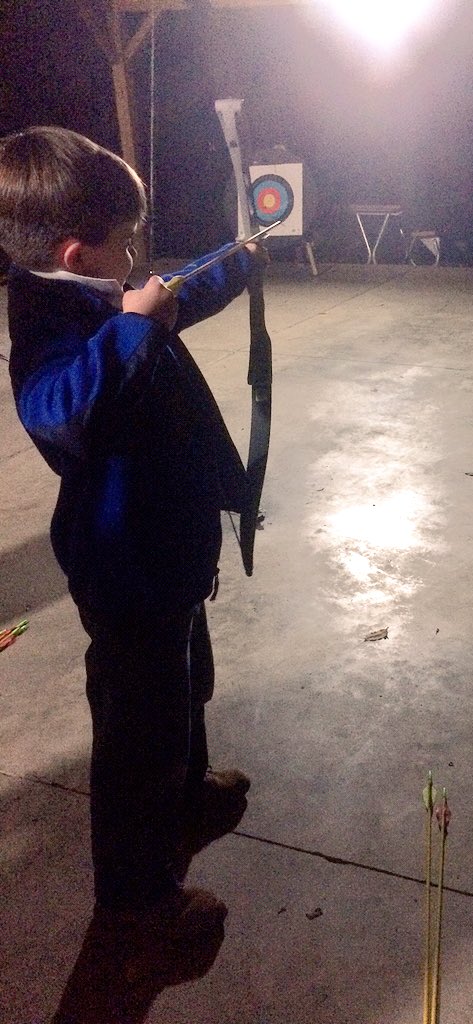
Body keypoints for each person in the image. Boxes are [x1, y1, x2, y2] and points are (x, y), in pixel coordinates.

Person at [0, 126, 260, 938]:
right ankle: (136, 898)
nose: (137, 257)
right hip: (128, 569)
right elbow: (62, 409)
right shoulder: (49, 327)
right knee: (136, 733)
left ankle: (186, 795)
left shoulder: (96, 293)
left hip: (169, 556)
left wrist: (239, 259)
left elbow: (168, 295)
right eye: (126, 244)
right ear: (78, 255)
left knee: (183, 687)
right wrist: (135, 326)